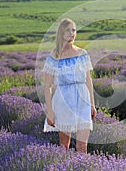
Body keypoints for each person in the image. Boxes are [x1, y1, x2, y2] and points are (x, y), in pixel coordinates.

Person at [42, 18, 97, 154]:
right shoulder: (54, 57)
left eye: (74, 30)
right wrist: (50, 111)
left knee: (82, 147)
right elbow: (47, 86)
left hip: (83, 100)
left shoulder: (83, 54)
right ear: (61, 33)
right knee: (64, 146)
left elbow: (88, 81)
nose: (72, 33)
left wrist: (92, 105)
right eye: (68, 30)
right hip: (63, 101)